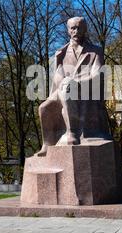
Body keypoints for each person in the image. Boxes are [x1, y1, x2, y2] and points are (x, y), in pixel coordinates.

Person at [35, 17, 111, 157]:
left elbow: (97, 75)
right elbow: (57, 76)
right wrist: (65, 81)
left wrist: (75, 82)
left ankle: (72, 132)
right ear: (68, 30)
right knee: (43, 108)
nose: (76, 31)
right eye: (72, 28)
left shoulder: (95, 51)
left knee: (68, 86)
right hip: (64, 89)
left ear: (85, 29)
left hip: (86, 90)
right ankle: (47, 144)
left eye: (79, 27)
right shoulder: (61, 53)